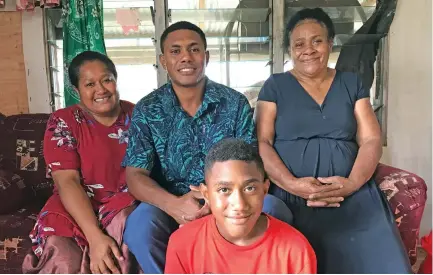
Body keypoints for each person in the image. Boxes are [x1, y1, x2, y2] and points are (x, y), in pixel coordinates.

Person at [122, 21, 293, 273]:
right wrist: (174, 205)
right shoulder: (148, 110)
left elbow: (249, 164)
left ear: (206, 56)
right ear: (163, 60)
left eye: (194, 49)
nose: (186, 58)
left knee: (274, 209)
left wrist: (215, 201)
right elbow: (135, 175)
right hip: (173, 200)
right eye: (175, 51)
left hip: (231, 196)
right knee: (139, 226)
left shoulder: (235, 104)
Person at [255, 8, 411, 274]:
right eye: (299, 44)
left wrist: (350, 185)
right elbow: (263, 143)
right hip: (293, 195)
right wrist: (292, 185)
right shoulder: (275, 86)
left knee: (381, 260)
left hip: (352, 193)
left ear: (330, 43)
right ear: (290, 50)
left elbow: (372, 139)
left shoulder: (351, 83)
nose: (309, 50)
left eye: (317, 41)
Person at [22, 51, 138, 274]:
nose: (101, 90)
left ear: (115, 80)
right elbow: (68, 182)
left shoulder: (137, 115)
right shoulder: (64, 121)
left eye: (107, 80)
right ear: (76, 91)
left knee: (126, 238)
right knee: (62, 252)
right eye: (89, 84)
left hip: (123, 202)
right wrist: (94, 237)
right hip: (75, 201)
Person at [165, 138, 317, 274]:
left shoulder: (296, 250)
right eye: (224, 190)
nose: (239, 204)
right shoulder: (182, 244)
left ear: (264, 189)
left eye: (249, 188)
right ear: (206, 194)